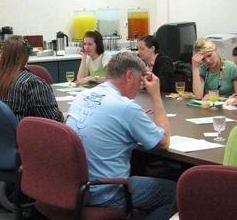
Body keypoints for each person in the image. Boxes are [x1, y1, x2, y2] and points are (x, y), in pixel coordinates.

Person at [66, 52, 176, 219]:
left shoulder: (83, 96)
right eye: (140, 82)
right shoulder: (125, 107)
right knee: (177, 192)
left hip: (75, 187)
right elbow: (163, 142)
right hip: (106, 193)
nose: (140, 88)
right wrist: (156, 95)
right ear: (129, 75)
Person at [0, 35, 65, 122]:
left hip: (0, 133)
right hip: (27, 134)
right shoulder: (32, 83)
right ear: (26, 56)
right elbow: (54, 120)